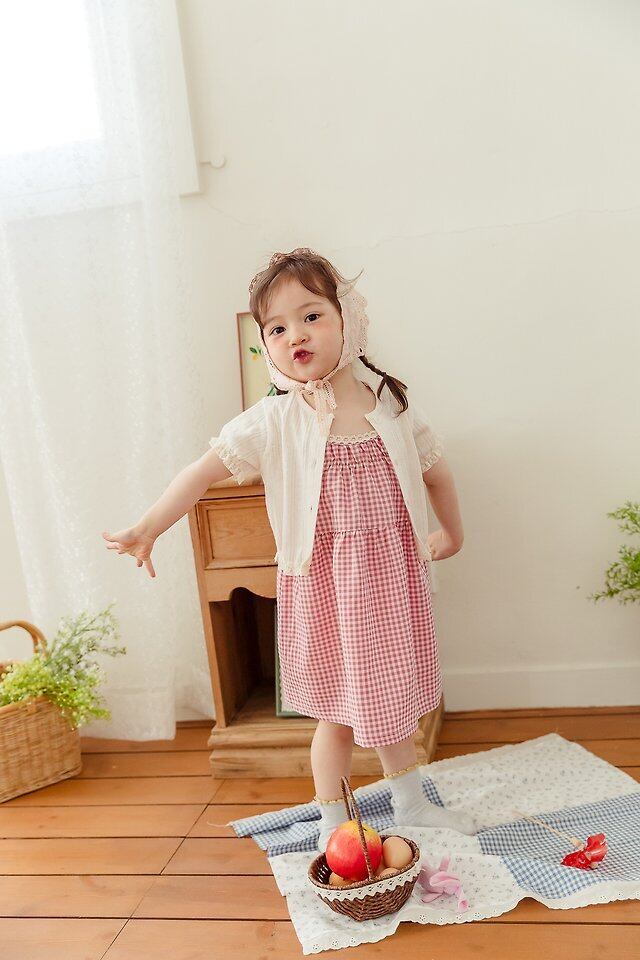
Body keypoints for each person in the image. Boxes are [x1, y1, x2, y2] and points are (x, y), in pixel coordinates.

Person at [101, 247, 477, 851]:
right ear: (266, 346)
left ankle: (409, 799)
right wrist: (149, 526)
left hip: (389, 584)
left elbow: (436, 472)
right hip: (325, 591)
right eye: (276, 328)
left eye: (311, 316)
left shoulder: (390, 406)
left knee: (389, 701)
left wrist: (453, 534)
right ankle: (333, 820)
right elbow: (200, 474)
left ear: (347, 320)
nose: (295, 335)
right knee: (336, 713)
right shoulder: (273, 421)